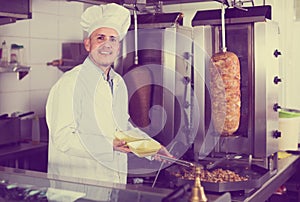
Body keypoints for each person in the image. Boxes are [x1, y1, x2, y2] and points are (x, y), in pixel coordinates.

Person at [45, 3, 172, 199]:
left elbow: (122, 128)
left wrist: (151, 147)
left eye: (112, 39)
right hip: (76, 193)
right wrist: (108, 144)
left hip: (109, 188)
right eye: (100, 38)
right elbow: (62, 137)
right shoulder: (70, 83)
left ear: (118, 46)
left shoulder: (117, 82)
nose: (107, 44)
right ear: (88, 44)